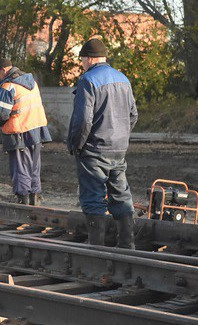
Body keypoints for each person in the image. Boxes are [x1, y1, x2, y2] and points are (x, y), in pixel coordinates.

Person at [68, 38, 138, 249]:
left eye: (82, 60)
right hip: (118, 149)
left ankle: (96, 248)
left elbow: (83, 120)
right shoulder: (123, 79)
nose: (82, 64)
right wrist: (120, 136)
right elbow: (133, 114)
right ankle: (127, 246)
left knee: (93, 198)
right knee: (121, 195)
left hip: (94, 150)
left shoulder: (88, 81)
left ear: (89, 58)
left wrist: (76, 144)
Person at [0, 58, 52, 206]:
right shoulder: (31, 82)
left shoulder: (8, 86)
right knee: (34, 166)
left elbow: (2, 114)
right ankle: (35, 199)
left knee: (20, 166)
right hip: (36, 128)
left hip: (19, 131)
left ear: (4, 70)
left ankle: (23, 200)